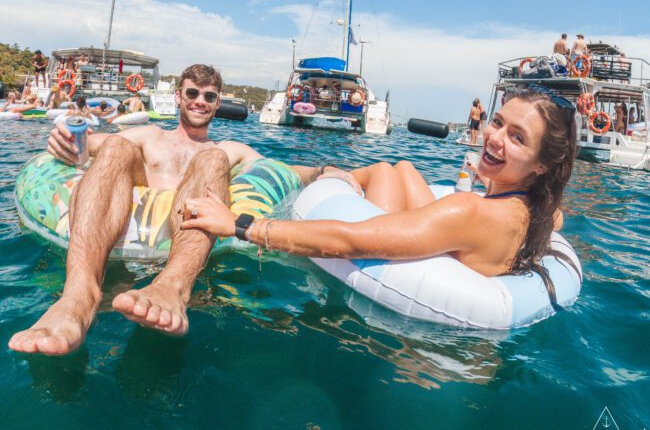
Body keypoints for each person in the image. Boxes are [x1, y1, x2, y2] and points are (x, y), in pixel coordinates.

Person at [8, 64, 339, 356]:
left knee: (212, 159)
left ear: (217, 103)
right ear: (179, 96)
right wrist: (66, 142)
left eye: (209, 97)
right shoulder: (151, 135)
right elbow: (88, 148)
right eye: (193, 92)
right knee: (117, 145)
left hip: (188, 254)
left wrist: (322, 171)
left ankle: (174, 288)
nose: (200, 101)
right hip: (120, 230)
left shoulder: (228, 149)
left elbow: (280, 169)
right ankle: (79, 296)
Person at [183, 85, 575, 286]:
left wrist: (239, 224)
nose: (494, 138)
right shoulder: (537, 210)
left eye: (517, 138)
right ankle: (340, 176)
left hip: (407, 362)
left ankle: (332, 177)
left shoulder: (474, 212)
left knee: (387, 172)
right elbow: (556, 217)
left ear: (542, 165)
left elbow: (350, 241)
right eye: (498, 122)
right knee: (397, 166)